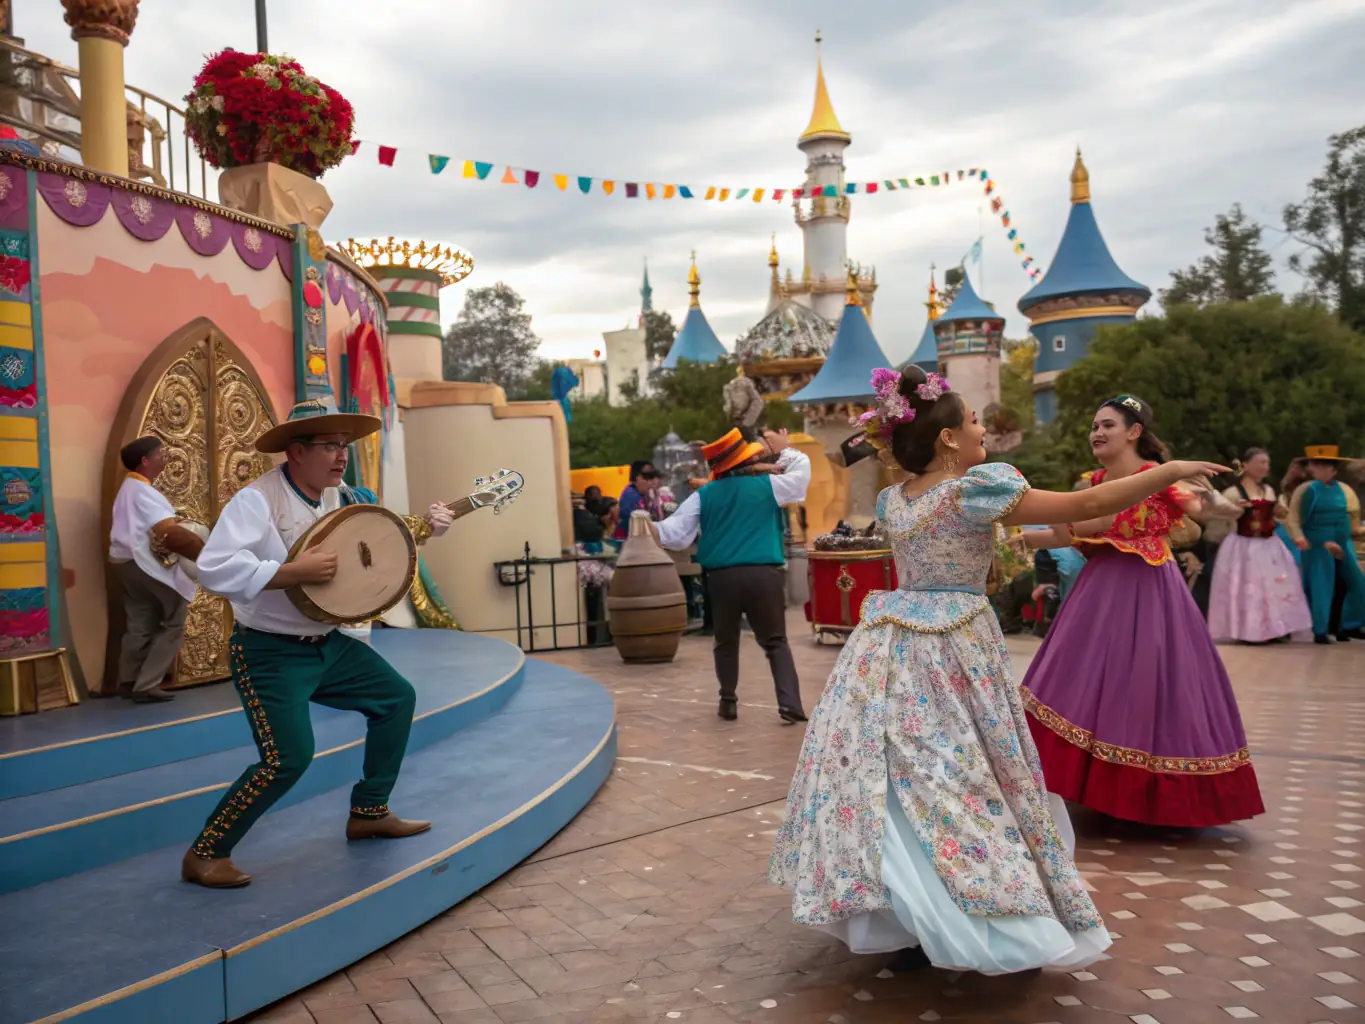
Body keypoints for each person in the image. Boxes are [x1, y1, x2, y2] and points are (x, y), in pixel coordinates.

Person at [769, 367, 1230, 974]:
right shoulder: (973, 491)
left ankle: (909, 916)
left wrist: (1097, 525)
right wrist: (1164, 473)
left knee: (903, 776)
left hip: (889, 646)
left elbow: (1073, 522)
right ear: (949, 440)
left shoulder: (895, 499)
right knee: (966, 776)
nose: (984, 427)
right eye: (975, 420)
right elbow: (1087, 503)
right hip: (954, 643)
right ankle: (978, 914)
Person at [183, 400, 432, 889]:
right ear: (296, 451)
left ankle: (369, 811)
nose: (342, 456)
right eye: (329, 446)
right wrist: (289, 573)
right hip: (269, 652)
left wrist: (430, 526)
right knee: (287, 759)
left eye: (345, 446)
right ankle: (206, 852)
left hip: (328, 644)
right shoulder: (258, 500)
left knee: (396, 698)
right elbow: (213, 567)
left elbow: (373, 548)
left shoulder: (341, 499)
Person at [1018, 396, 1263, 829]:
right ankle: (1090, 787)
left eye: (1107, 425)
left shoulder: (1156, 478)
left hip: (1150, 594)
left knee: (1148, 683)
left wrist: (1227, 506)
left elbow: (1199, 510)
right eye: (1094, 425)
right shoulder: (1092, 482)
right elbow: (1069, 531)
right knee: (1084, 682)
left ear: (1134, 432)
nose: (1097, 432)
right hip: (1098, 597)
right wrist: (1011, 540)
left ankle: (1149, 795)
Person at [652, 427, 810, 723]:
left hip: (722, 578)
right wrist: (786, 449)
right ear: (747, 462)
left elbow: (675, 534)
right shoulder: (769, 485)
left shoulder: (705, 494)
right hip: (765, 575)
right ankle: (790, 703)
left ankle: (728, 701)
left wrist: (646, 528)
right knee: (775, 641)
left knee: (726, 641)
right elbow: (801, 476)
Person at [107, 436, 201, 703]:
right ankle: (147, 684)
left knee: (139, 622)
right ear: (145, 460)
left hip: (124, 563)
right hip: (145, 564)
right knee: (174, 620)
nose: (165, 456)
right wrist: (202, 552)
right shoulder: (143, 492)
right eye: (160, 453)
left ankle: (127, 680)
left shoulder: (128, 488)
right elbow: (167, 533)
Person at [1206, 448, 1312, 644]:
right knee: (1249, 588)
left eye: (1267, 463)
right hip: (1243, 545)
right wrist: (1236, 511)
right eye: (1261, 462)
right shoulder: (1233, 492)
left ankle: (1273, 628)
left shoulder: (1269, 490)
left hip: (1268, 544)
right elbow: (1218, 519)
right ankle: (1248, 630)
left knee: (1272, 587)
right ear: (1246, 465)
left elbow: (1277, 516)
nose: (1265, 467)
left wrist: (1280, 512)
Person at [333, 483, 454, 644]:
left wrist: (428, 526)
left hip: (381, 621)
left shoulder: (358, 498)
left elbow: (388, 533)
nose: (341, 458)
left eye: (344, 455)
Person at [1284, 445, 1365, 644]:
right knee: (1322, 585)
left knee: (1356, 583)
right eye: (1314, 464)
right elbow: (1293, 518)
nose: (1315, 469)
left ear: (1333, 469)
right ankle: (1320, 629)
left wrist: (1359, 533)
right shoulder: (1306, 489)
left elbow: (1354, 522)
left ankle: (1348, 624)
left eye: (1321, 465)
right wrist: (1300, 538)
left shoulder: (1344, 490)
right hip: (1318, 544)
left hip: (1343, 542)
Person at [615, 461, 662, 539]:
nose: (651, 482)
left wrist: (655, 499)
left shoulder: (644, 495)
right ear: (638, 478)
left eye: (652, 477)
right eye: (647, 478)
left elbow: (658, 520)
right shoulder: (631, 496)